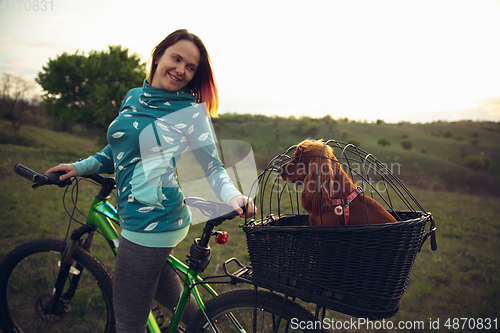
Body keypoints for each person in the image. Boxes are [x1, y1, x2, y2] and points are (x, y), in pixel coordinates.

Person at [46, 29, 255, 332]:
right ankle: (207, 327)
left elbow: (212, 166)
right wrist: (79, 167)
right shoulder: (133, 96)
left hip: (153, 224)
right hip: (140, 219)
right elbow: (119, 150)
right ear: (159, 56)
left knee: (128, 323)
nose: (181, 70)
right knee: (165, 292)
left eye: (191, 67)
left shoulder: (190, 112)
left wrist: (233, 196)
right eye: (177, 58)